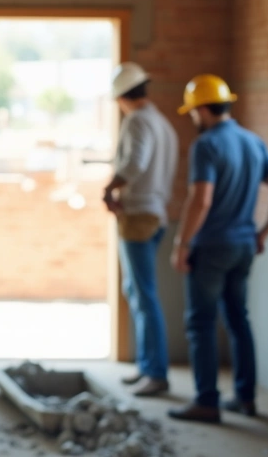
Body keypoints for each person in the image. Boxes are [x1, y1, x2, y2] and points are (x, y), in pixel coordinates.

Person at [166, 74, 268, 424]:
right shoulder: (252, 141)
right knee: (239, 320)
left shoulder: (206, 145)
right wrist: (264, 232)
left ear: (204, 109)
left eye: (193, 111)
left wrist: (182, 243)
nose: (193, 118)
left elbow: (201, 199)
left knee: (201, 323)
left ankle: (206, 401)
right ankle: (246, 398)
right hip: (243, 246)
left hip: (211, 248)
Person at [102, 63, 178, 398]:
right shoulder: (162, 122)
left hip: (138, 215)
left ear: (122, 96)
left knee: (143, 295)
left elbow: (135, 164)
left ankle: (156, 373)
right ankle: (148, 367)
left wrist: (110, 188)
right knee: (138, 291)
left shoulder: (138, 121)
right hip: (156, 213)